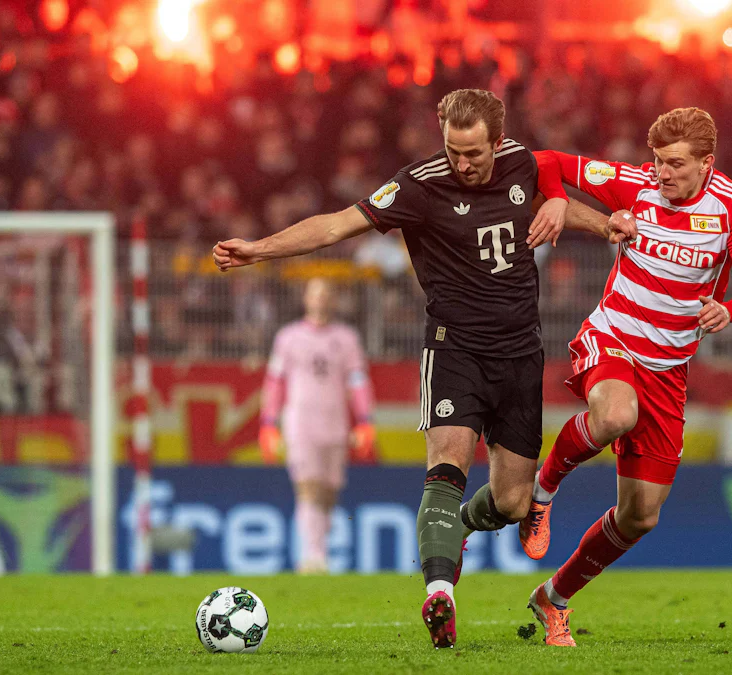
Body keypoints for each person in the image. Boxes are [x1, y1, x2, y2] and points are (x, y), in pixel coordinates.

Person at [213, 89, 581, 648]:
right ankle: (440, 594)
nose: (463, 163)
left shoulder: (522, 165)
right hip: (453, 348)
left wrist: (610, 226)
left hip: (521, 355)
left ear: (498, 143)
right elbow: (337, 225)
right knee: (447, 466)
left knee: (510, 502)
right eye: (454, 151)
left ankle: (455, 528)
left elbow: (560, 197)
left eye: (474, 153)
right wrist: (260, 250)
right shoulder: (418, 184)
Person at [517, 108, 732, 647]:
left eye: (675, 164)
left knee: (639, 518)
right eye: (657, 161)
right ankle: (543, 490)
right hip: (612, 339)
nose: (661, 174)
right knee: (613, 415)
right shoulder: (633, 184)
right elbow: (546, 161)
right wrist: (558, 198)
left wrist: (730, 309)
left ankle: (553, 598)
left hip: (667, 369)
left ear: (707, 163)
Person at [259, 277, 376, 574]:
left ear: (332, 300)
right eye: (315, 294)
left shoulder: (346, 338)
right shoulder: (288, 337)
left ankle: (318, 551)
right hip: (300, 421)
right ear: (306, 299)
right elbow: (275, 380)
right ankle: (313, 556)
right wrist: (268, 422)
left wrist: (364, 420)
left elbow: (357, 380)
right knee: (307, 486)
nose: (320, 299)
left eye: (326, 294)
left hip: (335, 423)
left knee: (329, 490)